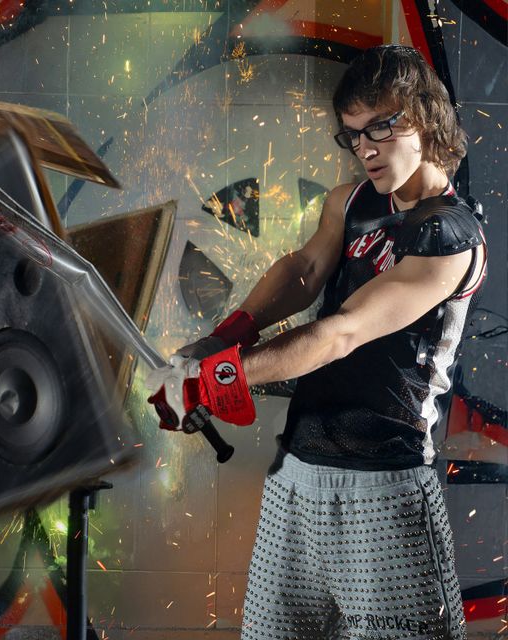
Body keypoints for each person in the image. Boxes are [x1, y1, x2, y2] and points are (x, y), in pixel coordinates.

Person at [146, 45, 486, 639]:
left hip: (386, 487)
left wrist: (217, 376)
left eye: (380, 127)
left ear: (424, 117)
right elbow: (303, 272)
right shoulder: (351, 202)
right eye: (354, 134)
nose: (365, 148)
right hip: (298, 474)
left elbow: (341, 332)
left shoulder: (451, 237)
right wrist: (221, 339)